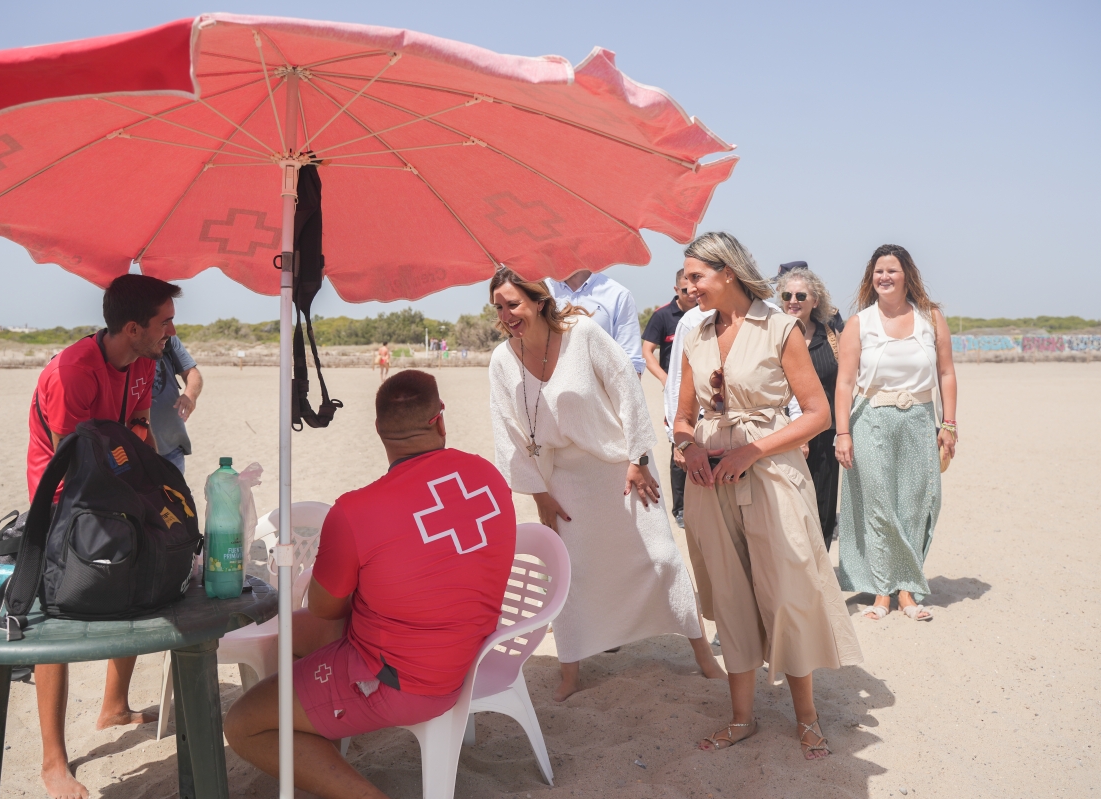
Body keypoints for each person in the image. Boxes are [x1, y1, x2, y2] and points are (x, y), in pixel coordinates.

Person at [224, 371, 516, 798]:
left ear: (379, 431)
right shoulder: (488, 476)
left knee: (243, 724)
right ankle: (319, 729)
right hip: (473, 652)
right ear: (440, 420)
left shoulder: (356, 511)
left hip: (402, 679)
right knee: (289, 634)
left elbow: (326, 607)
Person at [488, 268, 724, 703]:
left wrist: (637, 459)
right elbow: (508, 433)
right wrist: (540, 495)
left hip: (621, 468)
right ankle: (570, 672)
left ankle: (702, 653)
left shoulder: (582, 333)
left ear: (539, 301)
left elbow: (626, 390)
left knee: (662, 559)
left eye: (513, 304)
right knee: (573, 577)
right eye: (498, 307)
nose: (506, 314)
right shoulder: (502, 361)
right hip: (564, 482)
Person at [672, 232, 861, 760]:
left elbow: (817, 414)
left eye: (696, 277)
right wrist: (686, 448)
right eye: (686, 279)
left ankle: (807, 718)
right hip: (710, 482)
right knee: (730, 596)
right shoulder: (695, 334)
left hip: (772, 475)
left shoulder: (780, 327)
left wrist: (750, 451)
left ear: (727, 272)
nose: (687, 287)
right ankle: (741, 718)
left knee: (787, 593)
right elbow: (683, 417)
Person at [26, 274, 179, 799]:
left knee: (140, 585)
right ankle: (53, 763)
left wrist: (158, 490)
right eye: (165, 322)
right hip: (64, 501)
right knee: (55, 622)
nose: (173, 331)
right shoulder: (71, 372)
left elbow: (138, 426)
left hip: (117, 484)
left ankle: (114, 707)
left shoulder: (145, 359)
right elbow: (79, 464)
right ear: (132, 328)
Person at [834, 244, 958, 622]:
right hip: (870, 418)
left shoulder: (931, 318)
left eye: (892, 270)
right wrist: (842, 433)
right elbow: (844, 382)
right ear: (871, 278)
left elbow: (947, 374)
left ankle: (906, 589)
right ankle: (885, 592)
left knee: (918, 504)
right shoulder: (859, 323)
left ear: (907, 276)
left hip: (920, 420)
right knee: (879, 505)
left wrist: (948, 423)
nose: (884, 277)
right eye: (878, 271)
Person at [777, 267, 844, 549]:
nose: (793, 300)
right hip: (783, 435)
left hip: (826, 433)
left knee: (823, 506)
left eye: (801, 295)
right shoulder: (772, 336)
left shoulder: (832, 336)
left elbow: (847, 383)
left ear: (815, 301)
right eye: (787, 295)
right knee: (788, 505)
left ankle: (821, 572)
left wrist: (844, 432)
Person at [643, 268, 700, 527]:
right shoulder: (663, 316)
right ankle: (680, 508)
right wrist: (665, 379)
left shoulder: (706, 312)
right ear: (676, 290)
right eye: (686, 289)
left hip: (704, 389)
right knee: (679, 446)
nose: (692, 294)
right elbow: (647, 351)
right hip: (676, 391)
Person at [546, 269, 645, 374]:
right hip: (546, 386)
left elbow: (631, 362)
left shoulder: (619, 295)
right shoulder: (541, 291)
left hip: (600, 387)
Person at [149, 334, 202, 474]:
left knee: (175, 496)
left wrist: (190, 395)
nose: (171, 329)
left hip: (171, 447)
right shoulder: (122, 345)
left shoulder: (168, 339)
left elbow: (191, 372)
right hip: (131, 450)